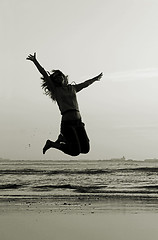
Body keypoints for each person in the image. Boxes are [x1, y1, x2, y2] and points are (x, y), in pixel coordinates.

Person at [26, 52, 103, 156]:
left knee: (85, 149)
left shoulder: (73, 88)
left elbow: (86, 84)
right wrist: (35, 61)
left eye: (60, 76)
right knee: (75, 151)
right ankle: (52, 144)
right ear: (54, 81)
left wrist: (95, 79)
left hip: (78, 122)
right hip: (67, 123)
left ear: (63, 77)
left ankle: (62, 138)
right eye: (56, 77)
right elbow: (44, 74)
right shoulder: (56, 90)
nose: (58, 78)